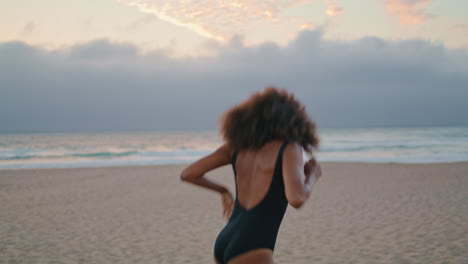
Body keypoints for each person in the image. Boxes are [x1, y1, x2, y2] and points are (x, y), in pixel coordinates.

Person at [180, 87, 322, 264]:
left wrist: (223, 191)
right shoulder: (289, 148)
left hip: (225, 240)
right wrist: (313, 176)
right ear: (292, 119)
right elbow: (297, 198)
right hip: (253, 246)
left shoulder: (235, 147)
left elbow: (189, 174)